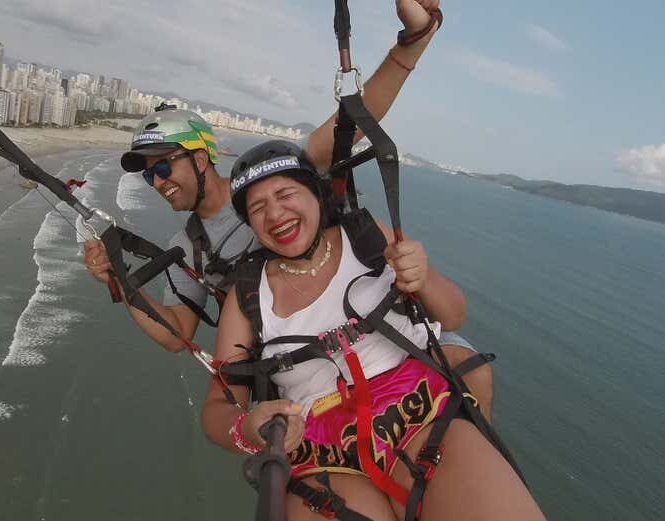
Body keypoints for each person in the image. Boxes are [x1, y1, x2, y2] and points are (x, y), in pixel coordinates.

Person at [201, 141, 546, 521]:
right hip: (323, 454)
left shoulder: (366, 238)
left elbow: (453, 317)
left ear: (316, 195)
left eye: (285, 194)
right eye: (257, 208)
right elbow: (217, 407)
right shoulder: (249, 295)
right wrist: (247, 429)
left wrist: (424, 277)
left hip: (422, 415)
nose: (274, 213)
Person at [84, 0, 453, 353]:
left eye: (163, 167)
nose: (158, 182)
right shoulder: (188, 247)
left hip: (372, 331)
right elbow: (177, 334)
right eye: (150, 176)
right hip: (302, 368)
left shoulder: (275, 175)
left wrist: (413, 41)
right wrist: (121, 280)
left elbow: (354, 119)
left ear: (200, 158)